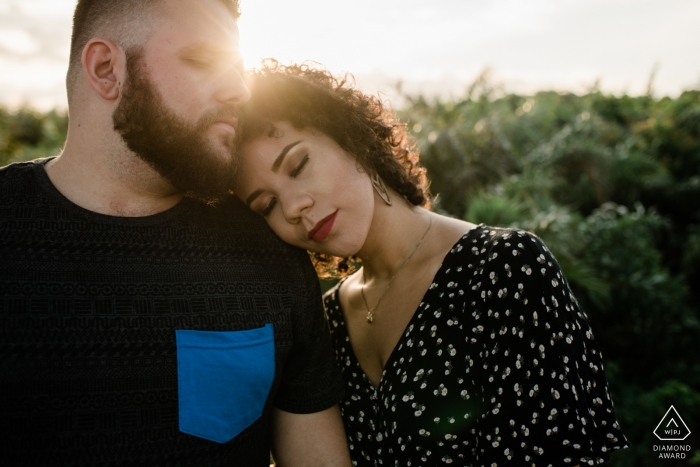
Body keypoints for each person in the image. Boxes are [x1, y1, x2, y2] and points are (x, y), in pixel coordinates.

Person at [0, 2, 351, 466]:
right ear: (106, 69)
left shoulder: (271, 250)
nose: (241, 92)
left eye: (240, 71)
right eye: (203, 61)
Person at [234, 61, 629, 466]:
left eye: (298, 166)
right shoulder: (326, 319)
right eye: (268, 205)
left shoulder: (505, 268)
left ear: (350, 137)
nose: (295, 206)